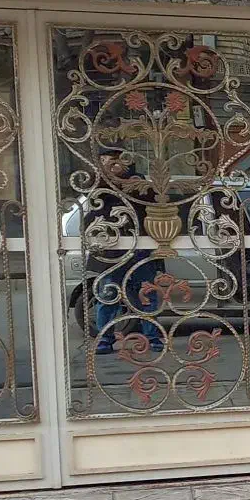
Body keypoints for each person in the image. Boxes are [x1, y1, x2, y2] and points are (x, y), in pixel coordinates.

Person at [86, 147, 164, 357]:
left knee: (146, 295)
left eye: (115, 160)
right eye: (105, 160)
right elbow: (93, 195)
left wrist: (126, 178)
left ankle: (152, 338)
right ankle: (105, 339)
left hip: (139, 249)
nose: (111, 165)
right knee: (108, 295)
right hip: (110, 251)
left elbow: (150, 200)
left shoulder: (137, 181)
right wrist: (107, 174)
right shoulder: (98, 182)